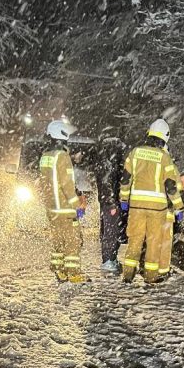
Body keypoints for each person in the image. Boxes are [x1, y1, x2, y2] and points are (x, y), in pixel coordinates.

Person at [119, 119, 183, 284]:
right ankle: (150, 276)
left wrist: (124, 199)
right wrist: (178, 207)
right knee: (154, 242)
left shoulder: (135, 153)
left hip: (136, 206)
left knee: (135, 240)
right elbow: (171, 186)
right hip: (157, 209)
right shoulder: (164, 158)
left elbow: (125, 179)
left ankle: (128, 274)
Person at [38, 118, 87, 284]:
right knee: (73, 242)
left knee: (58, 240)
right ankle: (73, 274)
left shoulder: (45, 156)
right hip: (65, 208)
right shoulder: (63, 156)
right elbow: (66, 184)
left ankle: (59, 270)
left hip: (52, 208)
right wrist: (77, 206)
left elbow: (49, 182)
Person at [96, 137, 127, 273]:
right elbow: (106, 184)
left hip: (109, 203)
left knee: (112, 231)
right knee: (111, 232)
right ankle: (109, 260)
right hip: (111, 204)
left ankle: (111, 259)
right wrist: (112, 203)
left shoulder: (108, 163)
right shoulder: (108, 165)